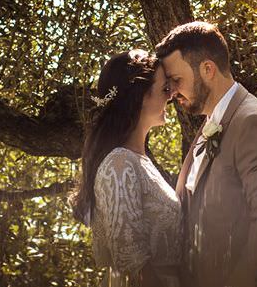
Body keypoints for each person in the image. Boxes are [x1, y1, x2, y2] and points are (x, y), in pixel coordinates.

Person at [155, 21, 257, 287]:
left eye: (177, 80)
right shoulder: (210, 126)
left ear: (207, 69)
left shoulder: (253, 122)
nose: (172, 92)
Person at [72, 49, 181, 287]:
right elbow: (134, 265)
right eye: (164, 88)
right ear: (141, 95)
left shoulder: (138, 161)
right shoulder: (119, 164)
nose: (172, 95)